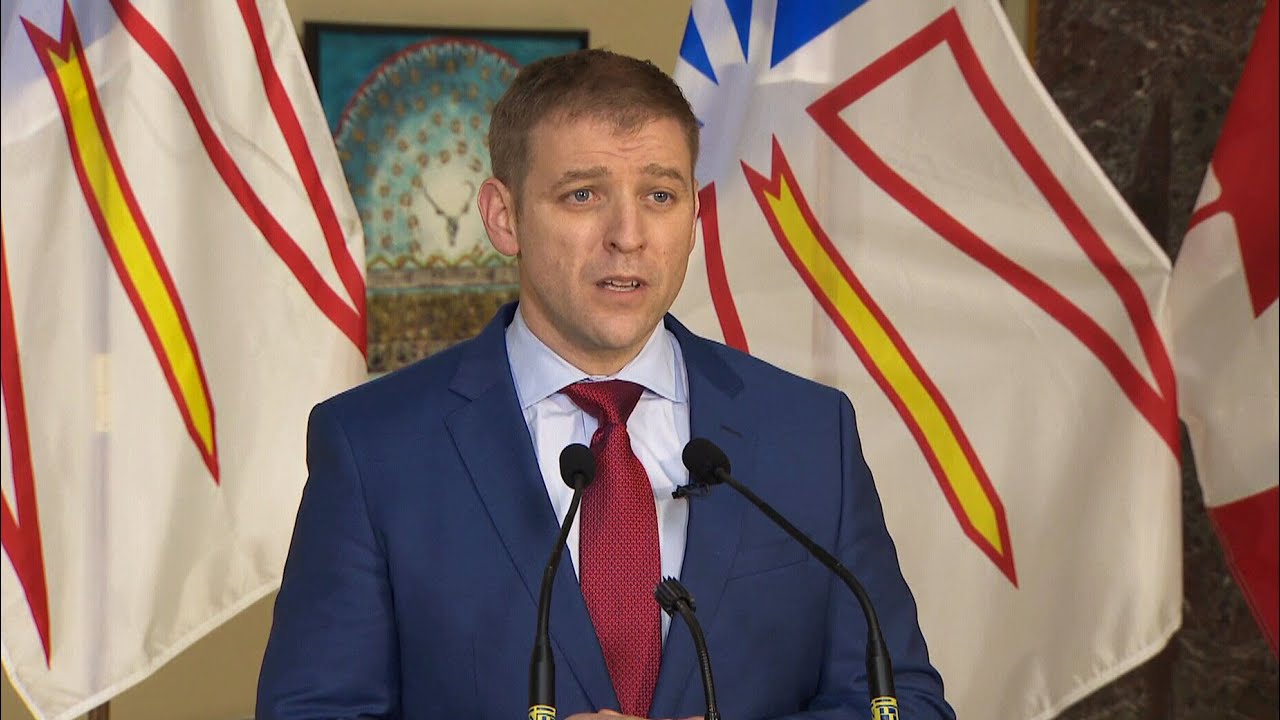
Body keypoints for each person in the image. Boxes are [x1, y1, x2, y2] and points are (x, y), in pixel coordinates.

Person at [257, 48, 955, 720]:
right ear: (504, 217)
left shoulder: (809, 432)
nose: (628, 234)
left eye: (660, 195)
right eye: (583, 194)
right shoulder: (374, 447)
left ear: (693, 217)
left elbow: (904, 704)